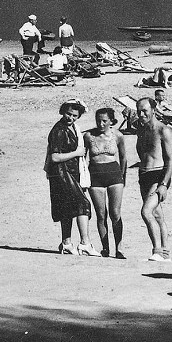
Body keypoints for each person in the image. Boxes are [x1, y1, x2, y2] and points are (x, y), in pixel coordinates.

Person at [45, 99, 100, 256]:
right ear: (63, 112)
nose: (71, 118)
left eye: (75, 115)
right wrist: (76, 153)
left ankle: (67, 243)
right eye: (69, 114)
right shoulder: (59, 130)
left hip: (70, 172)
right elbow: (54, 157)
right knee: (82, 204)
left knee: (66, 207)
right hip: (62, 173)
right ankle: (85, 243)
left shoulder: (72, 128)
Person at [83, 108, 127, 259]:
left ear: (111, 121)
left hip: (114, 175)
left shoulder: (118, 136)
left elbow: (123, 158)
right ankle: (105, 248)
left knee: (115, 213)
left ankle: (119, 248)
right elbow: (82, 158)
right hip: (95, 177)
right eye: (98, 120)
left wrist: (123, 177)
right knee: (101, 214)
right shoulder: (88, 136)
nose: (101, 124)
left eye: (104, 121)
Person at [135, 97, 172, 262]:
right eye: (139, 111)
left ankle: (157, 251)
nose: (141, 114)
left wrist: (164, 184)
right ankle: (165, 253)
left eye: (144, 110)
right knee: (158, 215)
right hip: (144, 175)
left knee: (146, 212)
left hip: (158, 175)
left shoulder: (163, 130)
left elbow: (171, 159)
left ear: (153, 109)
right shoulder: (142, 130)